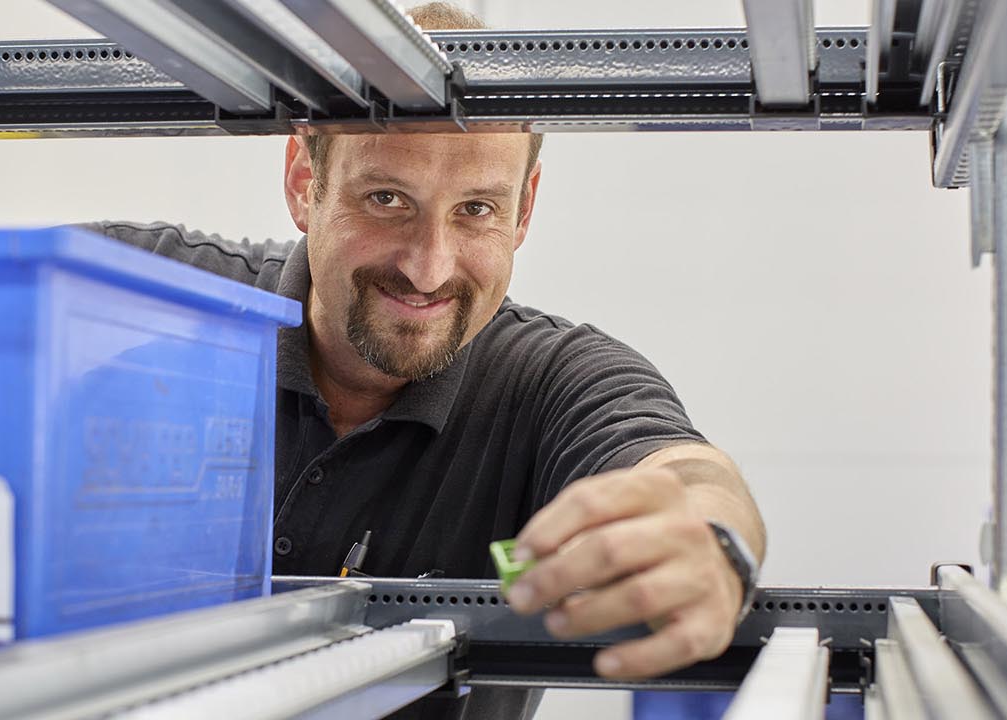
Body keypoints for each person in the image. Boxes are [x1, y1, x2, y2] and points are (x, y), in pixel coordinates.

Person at [82, 4, 765, 717]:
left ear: (524, 209)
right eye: (387, 199)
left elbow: (684, 469)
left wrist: (710, 537)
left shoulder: (552, 379)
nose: (429, 268)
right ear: (302, 182)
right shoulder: (136, 289)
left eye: (476, 210)